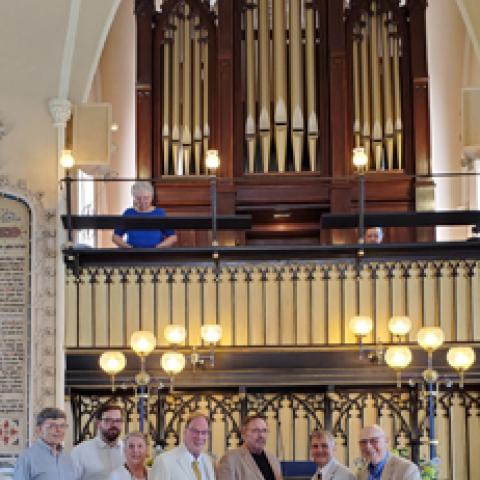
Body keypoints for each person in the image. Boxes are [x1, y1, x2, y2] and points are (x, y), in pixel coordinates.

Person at [13, 407, 79, 480]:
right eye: (52, 426)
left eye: (62, 426)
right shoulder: (26, 458)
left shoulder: (68, 458)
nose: (59, 430)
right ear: (39, 429)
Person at [151, 411, 215, 480]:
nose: (199, 436)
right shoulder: (164, 462)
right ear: (185, 432)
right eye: (195, 431)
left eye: (204, 432)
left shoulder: (208, 462)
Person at [112, 181, 177, 248]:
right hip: (132, 254)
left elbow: (172, 237)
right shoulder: (128, 213)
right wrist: (128, 248)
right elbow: (116, 236)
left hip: (155, 254)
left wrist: (159, 248)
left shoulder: (160, 213)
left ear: (151, 197)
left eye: (146, 198)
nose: (142, 201)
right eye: (138, 198)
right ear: (134, 198)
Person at [216, 414, 282, 480]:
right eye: (255, 430)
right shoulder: (229, 459)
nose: (261, 435)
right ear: (243, 434)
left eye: (264, 431)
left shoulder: (273, 459)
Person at [71, 403, 125, 480]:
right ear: (98, 423)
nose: (114, 425)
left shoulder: (130, 451)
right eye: (108, 420)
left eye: (118, 420)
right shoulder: (80, 451)